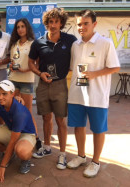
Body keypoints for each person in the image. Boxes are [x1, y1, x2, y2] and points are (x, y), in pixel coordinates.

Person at [66, 9, 120, 177]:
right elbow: (72, 68)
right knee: (78, 126)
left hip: (97, 95)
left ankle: (95, 161)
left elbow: (115, 67)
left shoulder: (105, 43)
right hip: (77, 93)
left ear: (94, 24)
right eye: (79, 24)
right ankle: (81, 156)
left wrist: (95, 74)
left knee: (98, 129)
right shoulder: (75, 45)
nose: (82, 27)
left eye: (85, 23)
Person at [28, 8, 77, 169]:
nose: (53, 25)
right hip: (43, 84)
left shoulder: (70, 40)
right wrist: (39, 73)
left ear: (61, 23)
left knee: (60, 120)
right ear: (46, 23)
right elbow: (31, 63)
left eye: (56, 22)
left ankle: (62, 154)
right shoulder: (38, 42)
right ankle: (47, 147)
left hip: (60, 84)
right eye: (51, 22)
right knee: (46, 118)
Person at [0, 80, 36, 182]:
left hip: (25, 133)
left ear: (12, 94)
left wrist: (2, 166)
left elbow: (13, 141)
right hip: (9, 129)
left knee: (21, 151)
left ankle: (26, 160)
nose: (0, 97)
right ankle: (7, 152)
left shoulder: (19, 112)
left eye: (4, 94)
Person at [8, 18, 41, 149]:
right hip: (13, 79)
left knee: (27, 111)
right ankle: (16, 135)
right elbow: (13, 60)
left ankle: (36, 137)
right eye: (18, 27)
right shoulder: (14, 44)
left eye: (22, 26)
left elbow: (37, 63)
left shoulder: (33, 43)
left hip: (27, 80)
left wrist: (25, 70)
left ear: (27, 28)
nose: (20, 29)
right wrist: (12, 66)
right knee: (13, 109)